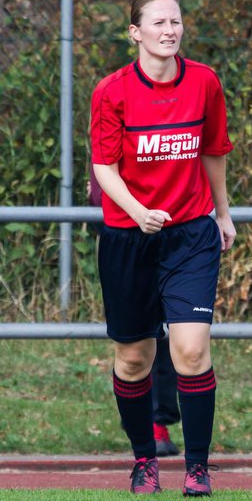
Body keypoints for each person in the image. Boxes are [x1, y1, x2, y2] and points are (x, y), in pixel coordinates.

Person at [90, 0, 234, 496]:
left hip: (190, 233)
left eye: (176, 20)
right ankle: (144, 460)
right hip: (130, 238)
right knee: (133, 358)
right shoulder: (112, 91)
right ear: (136, 32)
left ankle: (197, 467)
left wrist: (222, 212)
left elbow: (214, 148)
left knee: (191, 351)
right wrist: (137, 212)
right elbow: (104, 167)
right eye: (158, 22)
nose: (169, 29)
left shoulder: (204, 83)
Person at [87, 170, 179, 456]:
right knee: (135, 339)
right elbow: (103, 167)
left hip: (176, 222)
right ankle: (145, 426)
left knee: (175, 330)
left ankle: (158, 420)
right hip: (123, 228)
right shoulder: (108, 126)